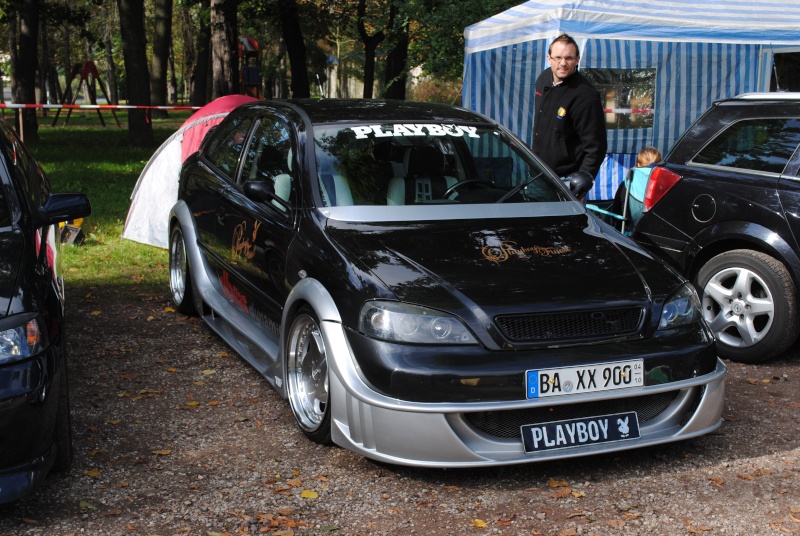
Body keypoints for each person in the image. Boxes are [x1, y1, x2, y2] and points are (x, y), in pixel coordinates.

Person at [532, 34, 607, 185]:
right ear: (549, 58)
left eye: (569, 58)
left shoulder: (585, 95)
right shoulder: (543, 79)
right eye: (558, 57)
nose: (563, 63)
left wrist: (583, 181)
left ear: (577, 60)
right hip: (537, 172)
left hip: (566, 179)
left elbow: (596, 146)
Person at [610, 146, 662, 230]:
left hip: (630, 231)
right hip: (657, 231)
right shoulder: (666, 183)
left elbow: (616, 210)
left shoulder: (628, 183)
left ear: (638, 164)